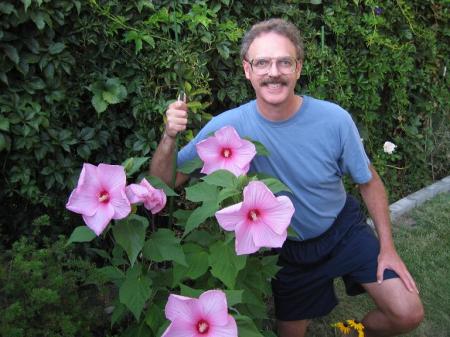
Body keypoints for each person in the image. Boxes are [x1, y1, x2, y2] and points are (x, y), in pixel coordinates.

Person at [150, 18, 423, 337]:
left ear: (298, 68)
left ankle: (348, 332)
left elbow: (369, 181)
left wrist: (387, 247)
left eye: (284, 62)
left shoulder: (334, 120)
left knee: (408, 313)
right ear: (247, 70)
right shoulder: (228, 128)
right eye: (262, 62)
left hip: (342, 230)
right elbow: (164, 185)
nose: (274, 72)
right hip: (289, 251)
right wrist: (169, 137)